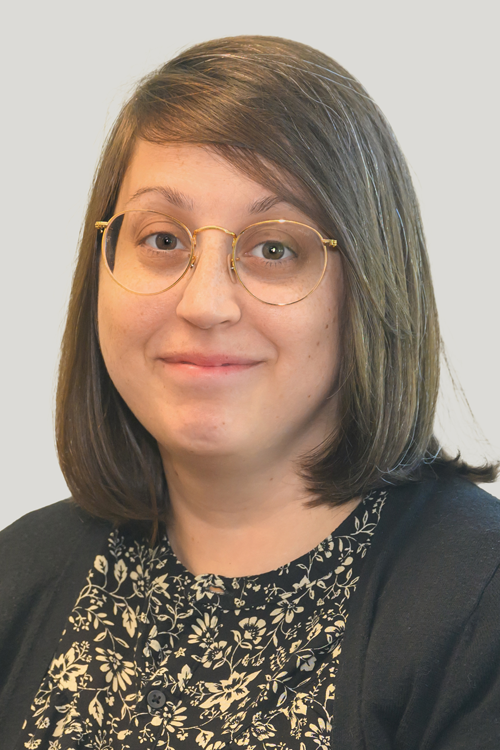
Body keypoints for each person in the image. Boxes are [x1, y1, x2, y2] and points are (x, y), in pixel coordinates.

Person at [1, 35, 499, 750]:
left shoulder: (479, 606)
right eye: (164, 239)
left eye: (274, 248)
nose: (206, 304)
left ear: (371, 284)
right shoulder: (17, 577)